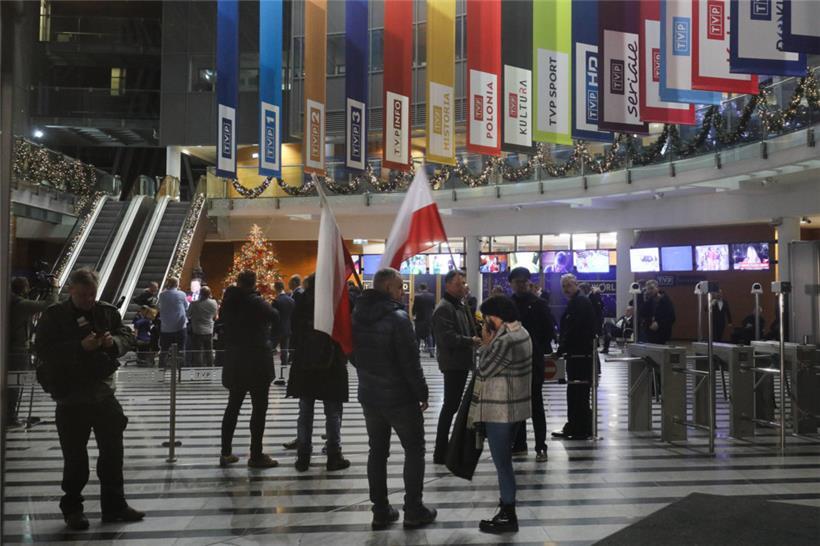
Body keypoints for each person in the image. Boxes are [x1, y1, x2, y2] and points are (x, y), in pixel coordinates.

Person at [34, 268, 143, 530]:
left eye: (92, 294)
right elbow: (43, 350)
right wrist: (79, 347)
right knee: (75, 458)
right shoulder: (54, 316)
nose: (88, 300)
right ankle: (72, 509)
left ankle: (114, 505)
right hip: (70, 397)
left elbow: (126, 336)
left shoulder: (106, 311)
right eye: (82, 295)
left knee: (113, 452)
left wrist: (112, 343)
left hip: (102, 393)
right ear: (71, 290)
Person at [351, 268, 436, 530]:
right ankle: (413, 509)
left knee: (377, 452)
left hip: (370, 395)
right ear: (388, 288)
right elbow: (410, 363)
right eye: (399, 287)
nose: (402, 292)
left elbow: (352, 354)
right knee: (414, 449)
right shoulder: (399, 319)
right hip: (400, 398)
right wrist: (422, 392)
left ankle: (380, 511)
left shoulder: (356, 316)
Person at [469, 296, 532, 534]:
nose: (485, 322)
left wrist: (486, 344)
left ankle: (508, 513)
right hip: (515, 406)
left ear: (496, 316)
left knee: (502, 464)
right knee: (505, 462)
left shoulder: (506, 340)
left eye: (487, 317)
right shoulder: (522, 332)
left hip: (501, 410)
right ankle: (506, 508)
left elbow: (484, 370)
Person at [287, 274, 351, 472]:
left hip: (305, 362)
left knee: (305, 412)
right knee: (332, 412)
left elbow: (294, 329)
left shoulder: (301, 300)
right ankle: (333, 455)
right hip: (331, 363)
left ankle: (303, 456)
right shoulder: (335, 302)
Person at [218, 270, 280, 469]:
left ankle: (225, 452)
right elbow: (275, 316)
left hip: (235, 361)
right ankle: (256, 455)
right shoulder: (255, 301)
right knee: (259, 409)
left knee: (232, 407)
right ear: (253, 283)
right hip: (256, 362)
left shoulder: (228, 301)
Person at [431, 270, 481, 464]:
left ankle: (446, 447)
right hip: (452, 363)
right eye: (458, 284)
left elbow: (466, 328)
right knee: (450, 406)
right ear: (448, 285)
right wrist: (471, 341)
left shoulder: (460, 305)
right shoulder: (444, 308)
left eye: (464, 283)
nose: (463, 287)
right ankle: (440, 450)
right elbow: (447, 338)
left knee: (453, 406)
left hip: (461, 362)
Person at [508, 267, 556, 462]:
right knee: (516, 404)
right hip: (513, 361)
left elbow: (549, 330)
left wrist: (536, 346)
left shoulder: (538, 304)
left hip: (533, 360)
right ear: (511, 283)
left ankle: (541, 446)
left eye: (524, 281)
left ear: (529, 282)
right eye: (517, 281)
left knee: (536, 405)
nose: (520, 285)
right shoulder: (507, 305)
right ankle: (519, 444)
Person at [7, 276, 59, 426]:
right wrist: (55, 288)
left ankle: (8, 415)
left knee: (10, 383)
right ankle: (10, 417)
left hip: (10, 349)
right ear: (24, 288)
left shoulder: (10, 301)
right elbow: (50, 305)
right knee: (15, 384)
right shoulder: (21, 304)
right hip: (17, 351)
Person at [552, 274, 596, 440]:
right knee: (576, 392)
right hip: (577, 354)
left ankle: (579, 427)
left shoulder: (580, 302)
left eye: (569, 285)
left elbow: (574, 329)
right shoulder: (576, 302)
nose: (566, 289)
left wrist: (561, 349)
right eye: (564, 286)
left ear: (576, 284)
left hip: (580, 355)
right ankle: (577, 426)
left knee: (578, 391)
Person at [157, 277, 188, 364]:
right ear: (177, 284)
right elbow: (186, 307)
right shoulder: (182, 294)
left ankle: (161, 367)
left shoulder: (162, 295)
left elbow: (158, 307)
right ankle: (180, 367)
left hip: (166, 328)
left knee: (164, 350)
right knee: (181, 349)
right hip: (180, 327)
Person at [188, 286, 218, 366]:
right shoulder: (214, 302)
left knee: (198, 352)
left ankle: (199, 369)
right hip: (209, 330)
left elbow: (188, 314)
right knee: (209, 351)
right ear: (209, 293)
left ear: (200, 293)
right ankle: (210, 367)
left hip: (197, 330)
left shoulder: (194, 303)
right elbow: (215, 316)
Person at [640, 279, 676, 344]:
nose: (650, 291)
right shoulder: (648, 301)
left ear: (657, 288)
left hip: (662, 333)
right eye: (648, 289)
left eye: (652, 288)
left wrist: (659, 324)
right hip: (649, 332)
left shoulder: (665, 300)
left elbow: (671, 317)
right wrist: (644, 299)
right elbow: (642, 314)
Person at [272, 281, 295, 368]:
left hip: (277, 329)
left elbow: (273, 316)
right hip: (287, 328)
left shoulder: (276, 301)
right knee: (284, 351)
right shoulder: (291, 300)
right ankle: (284, 369)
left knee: (271, 348)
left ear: (276, 288)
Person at [412, 282, 436, 357]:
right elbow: (433, 307)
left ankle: (417, 352)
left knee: (417, 336)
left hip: (419, 319)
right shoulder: (432, 296)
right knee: (429, 335)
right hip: (429, 319)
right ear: (426, 288)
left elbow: (414, 308)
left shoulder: (417, 297)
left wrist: (413, 315)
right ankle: (431, 352)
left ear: (420, 288)